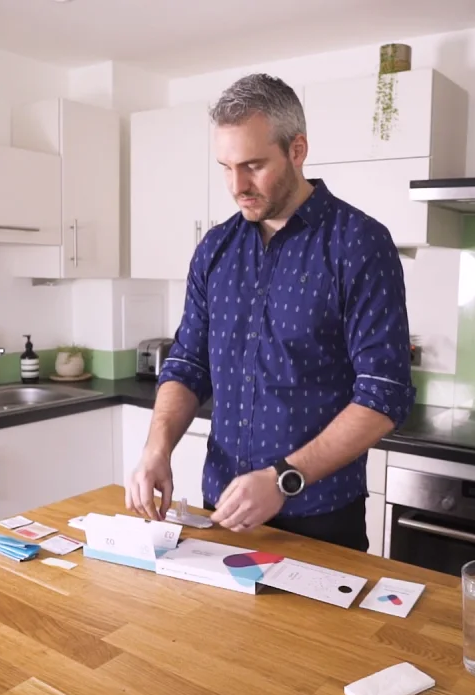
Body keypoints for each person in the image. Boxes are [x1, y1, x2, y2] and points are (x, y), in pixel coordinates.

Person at [125, 73, 415, 552]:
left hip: (320, 520)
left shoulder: (359, 244)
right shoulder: (215, 249)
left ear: (297, 150)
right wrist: (157, 447)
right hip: (224, 510)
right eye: (226, 167)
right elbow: (187, 363)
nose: (237, 185)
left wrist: (283, 478)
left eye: (253, 166)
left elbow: (385, 395)